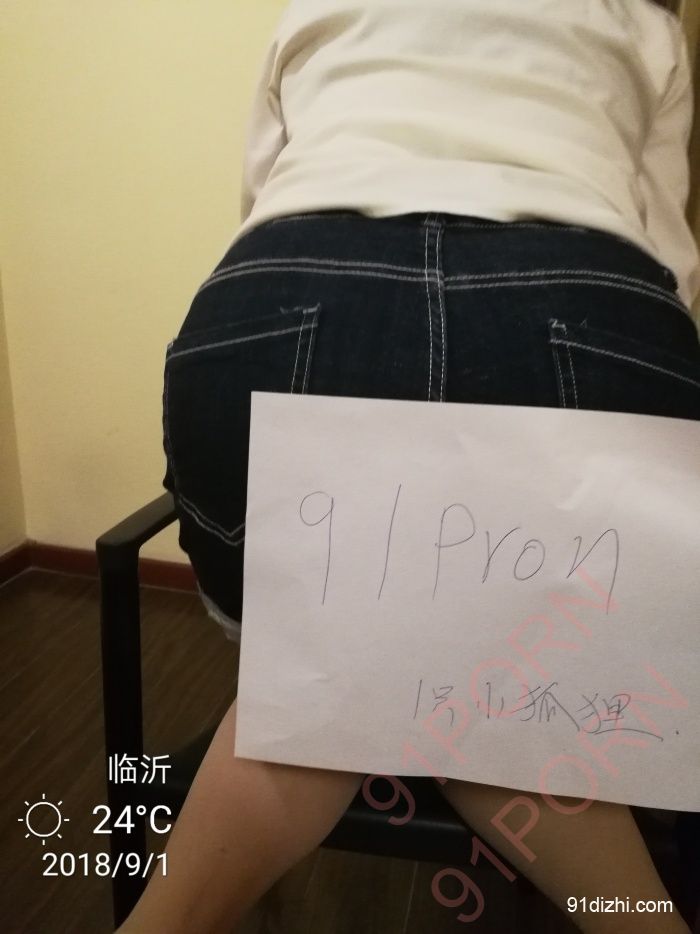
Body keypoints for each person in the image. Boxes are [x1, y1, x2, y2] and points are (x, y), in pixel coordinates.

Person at [119, 1, 700, 931]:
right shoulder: (644, 21)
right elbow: (669, 252)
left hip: (284, 306)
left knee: (326, 676)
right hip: (578, 309)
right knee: (499, 682)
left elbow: (263, 193)